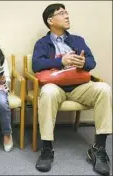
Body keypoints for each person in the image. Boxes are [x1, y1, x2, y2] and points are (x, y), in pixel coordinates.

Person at [32, 3, 112, 175]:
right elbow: (36, 65)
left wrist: (84, 63)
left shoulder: (77, 40)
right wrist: (61, 61)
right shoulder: (42, 43)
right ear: (50, 20)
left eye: (67, 12)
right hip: (56, 87)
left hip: (79, 87)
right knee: (47, 92)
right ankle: (47, 149)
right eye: (62, 13)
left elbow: (92, 62)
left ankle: (99, 149)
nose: (67, 16)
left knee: (104, 89)